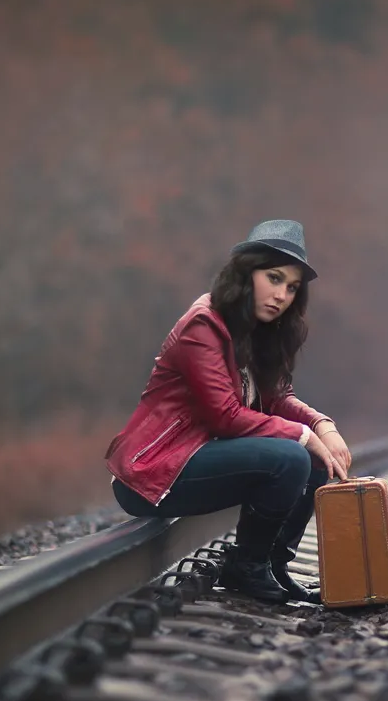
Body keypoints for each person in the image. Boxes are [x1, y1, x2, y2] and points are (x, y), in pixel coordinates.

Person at [105, 220, 351, 604]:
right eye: (274, 278)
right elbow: (225, 416)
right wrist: (303, 436)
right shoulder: (203, 325)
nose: (282, 295)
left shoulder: (253, 331)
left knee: (315, 458)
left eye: (291, 287)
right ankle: (247, 567)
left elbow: (277, 397)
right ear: (246, 272)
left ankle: (271, 564)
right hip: (153, 474)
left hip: (197, 461)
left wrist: (322, 425)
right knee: (291, 454)